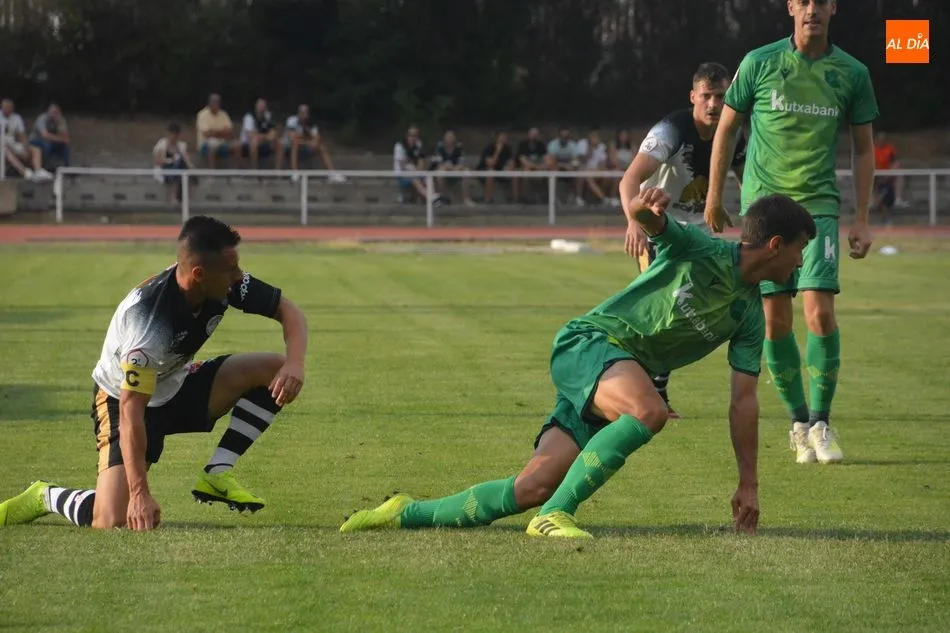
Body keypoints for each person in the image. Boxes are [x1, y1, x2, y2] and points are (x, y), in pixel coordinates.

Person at [340, 192, 817, 539]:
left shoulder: (752, 315)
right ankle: (556, 515)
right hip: (589, 343)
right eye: (799, 251)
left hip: (616, 372)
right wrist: (645, 211)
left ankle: (405, 512)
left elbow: (743, 401)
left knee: (531, 486)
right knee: (648, 412)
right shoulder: (702, 249)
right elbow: (652, 223)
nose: (800, 264)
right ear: (775, 244)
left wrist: (748, 483)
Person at [0, 216, 309, 531]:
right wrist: (139, 493)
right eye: (231, 270)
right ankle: (44, 495)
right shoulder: (149, 324)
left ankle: (217, 472)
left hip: (174, 384)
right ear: (199, 274)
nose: (239, 276)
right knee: (111, 519)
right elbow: (131, 408)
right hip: (123, 401)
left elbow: (291, 312)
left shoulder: (224, 282)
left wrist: (295, 363)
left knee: (275, 368)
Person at [704, 0, 878, 465]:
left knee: (819, 314)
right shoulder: (758, 62)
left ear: (833, 8)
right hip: (763, 211)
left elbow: (863, 149)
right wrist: (714, 196)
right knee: (776, 322)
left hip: (817, 208)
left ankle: (822, 422)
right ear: (790, 8)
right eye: (803, 1)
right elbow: (726, 130)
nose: (812, 10)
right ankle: (799, 424)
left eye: (820, 1)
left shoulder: (852, 73)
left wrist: (861, 216)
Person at [619, 62, 748, 418]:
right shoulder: (672, 130)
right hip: (659, 227)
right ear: (693, 97)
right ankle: (641, 388)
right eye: (706, 96)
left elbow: (750, 185)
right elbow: (629, 179)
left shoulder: (733, 133)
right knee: (668, 304)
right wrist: (633, 221)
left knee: (704, 305)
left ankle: (649, 383)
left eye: (720, 96)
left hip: (702, 232)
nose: (713, 104)